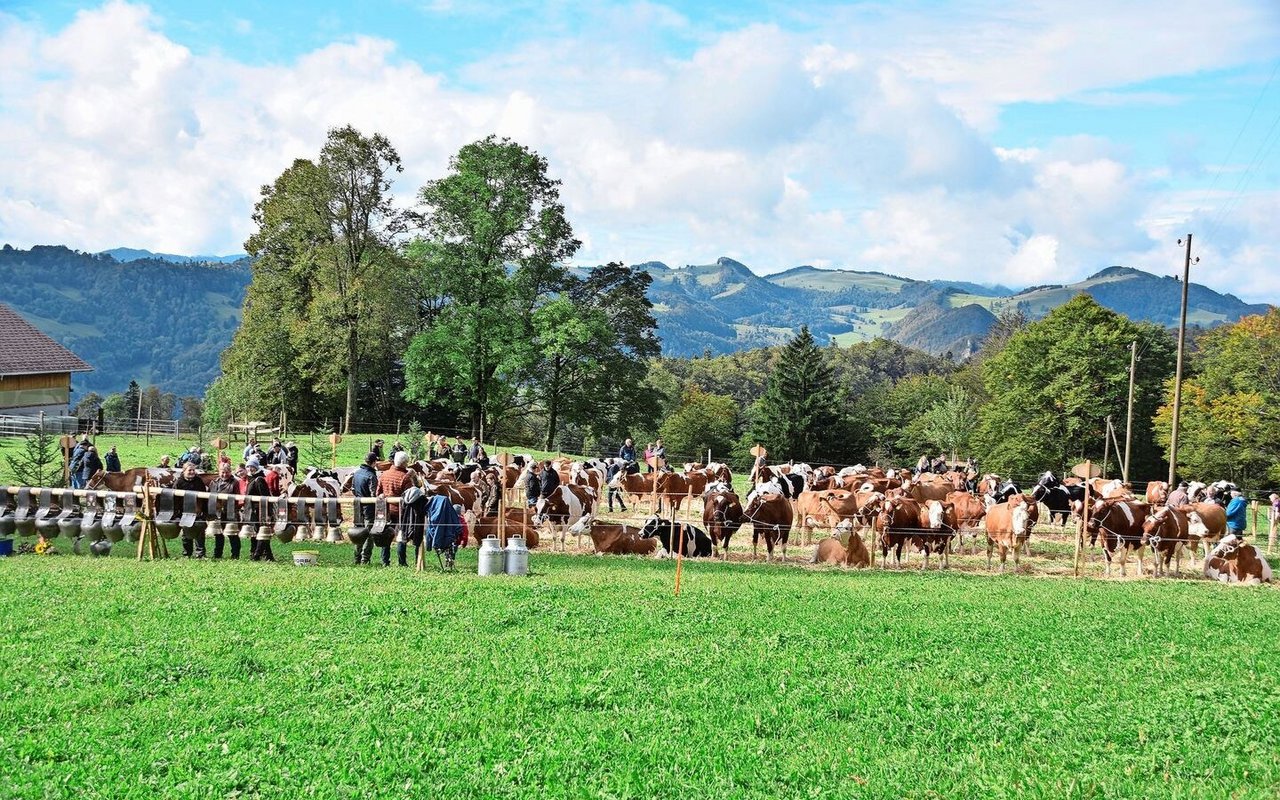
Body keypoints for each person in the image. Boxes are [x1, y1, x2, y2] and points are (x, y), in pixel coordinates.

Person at [378, 452, 416, 559]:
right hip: (401, 512)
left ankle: (385, 560)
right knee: (401, 536)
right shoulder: (405, 478)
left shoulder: (384, 474)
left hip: (387, 510)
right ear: (404, 464)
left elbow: (378, 492)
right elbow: (410, 496)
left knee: (387, 535)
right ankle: (402, 561)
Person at [351, 452, 385, 566]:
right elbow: (373, 494)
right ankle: (365, 559)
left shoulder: (356, 473)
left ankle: (356, 557)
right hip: (369, 509)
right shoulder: (371, 476)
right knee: (369, 535)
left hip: (357, 507)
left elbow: (353, 490)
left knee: (358, 533)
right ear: (374, 462)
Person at [242, 458, 274, 561]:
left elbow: (265, 498)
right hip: (253, 510)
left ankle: (257, 554)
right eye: (248, 466)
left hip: (260, 511)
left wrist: (267, 513)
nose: (250, 468)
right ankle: (267, 555)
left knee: (261, 532)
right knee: (256, 532)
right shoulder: (251, 479)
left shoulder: (259, 479)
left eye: (252, 466)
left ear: (256, 467)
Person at [174, 462, 207, 558]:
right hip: (184, 511)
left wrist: (203, 511)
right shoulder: (179, 482)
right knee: (186, 533)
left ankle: (200, 554)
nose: (192, 472)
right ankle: (187, 554)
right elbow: (174, 498)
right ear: (184, 471)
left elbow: (204, 497)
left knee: (199, 532)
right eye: (189, 470)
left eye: (193, 470)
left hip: (197, 511)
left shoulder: (199, 481)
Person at [209, 462, 240, 560]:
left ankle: (235, 555)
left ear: (230, 472)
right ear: (219, 472)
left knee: (232, 534)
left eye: (227, 472)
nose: (224, 474)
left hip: (231, 510)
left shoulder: (235, 482)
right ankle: (217, 554)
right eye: (222, 472)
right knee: (218, 533)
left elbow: (238, 497)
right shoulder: (214, 482)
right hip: (217, 511)